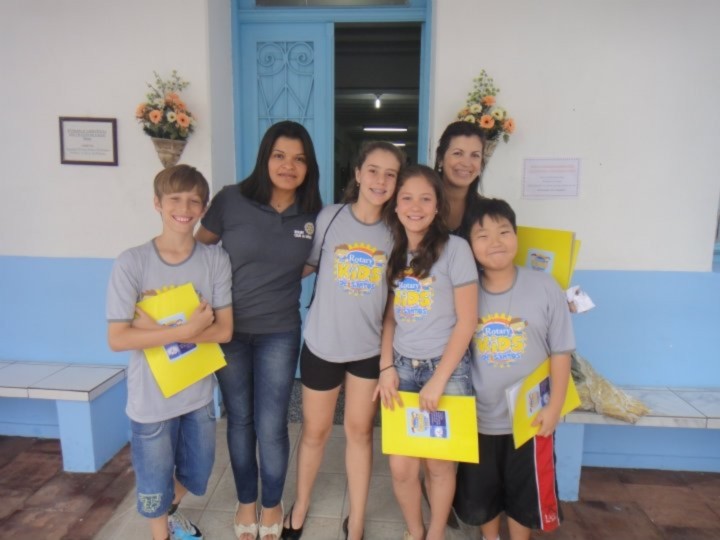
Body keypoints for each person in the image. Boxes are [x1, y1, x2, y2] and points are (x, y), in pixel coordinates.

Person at [196, 121, 323, 540]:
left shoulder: (314, 213)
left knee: (271, 424)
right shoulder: (231, 200)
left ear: (309, 166)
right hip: (227, 330)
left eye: (299, 159)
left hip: (279, 332)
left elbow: (313, 261)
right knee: (240, 420)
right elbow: (199, 249)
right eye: (279, 156)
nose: (289, 166)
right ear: (265, 157)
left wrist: (280, 277)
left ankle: (271, 504)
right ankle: (246, 501)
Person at [282, 141, 404, 540]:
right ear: (357, 174)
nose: (380, 181)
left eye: (390, 174)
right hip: (322, 345)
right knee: (315, 432)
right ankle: (301, 505)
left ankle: (358, 519)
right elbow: (306, 265)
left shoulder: (397, 231)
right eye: (373, 170)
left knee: (360, 433)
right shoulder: (330, 217)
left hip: (368, 351)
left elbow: (396, 298)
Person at [106, 164, 234, 540]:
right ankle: (160, 533)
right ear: (157, 203)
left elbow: (225, 330)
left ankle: (169, 513)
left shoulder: (215, 260)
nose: (184, 208)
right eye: (175, 199)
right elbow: (118, 338)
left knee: (198, 472)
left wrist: (151, 329)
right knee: (153, 480)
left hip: (197, 394)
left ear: (204, 208)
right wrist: (187, 330)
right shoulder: (132, 262)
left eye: (194, 201)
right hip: (151, 398)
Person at [453, 198, 575, 540]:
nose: (495, 242)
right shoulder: (464, 292)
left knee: (525, 496)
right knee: (482, 495)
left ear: (516, 235)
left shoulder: (545, 287)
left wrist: (554, 408)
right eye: (482, 235)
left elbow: (561, 351)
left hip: (532, 419)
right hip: (478, 417)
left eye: (504, 232)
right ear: (469, 245)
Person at [375, 165, 478, 540]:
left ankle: (435, 533)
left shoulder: (456, 250)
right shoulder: (395, 251)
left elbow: (467, 322)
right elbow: (390, 318)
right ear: (396, 205)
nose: (415, 207)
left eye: (425, 199)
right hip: (402, 369)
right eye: (406, 198)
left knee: (438, 465)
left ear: (437, 206)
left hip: (447, 372)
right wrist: (386, 366)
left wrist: (438, 380)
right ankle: (415, 531)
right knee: (402, 467)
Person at [433, 120, 487, 235]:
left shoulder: (486, 212)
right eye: (457, 153)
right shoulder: (420, 205)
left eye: (475, 155)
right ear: (440, 158)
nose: (466, 163)